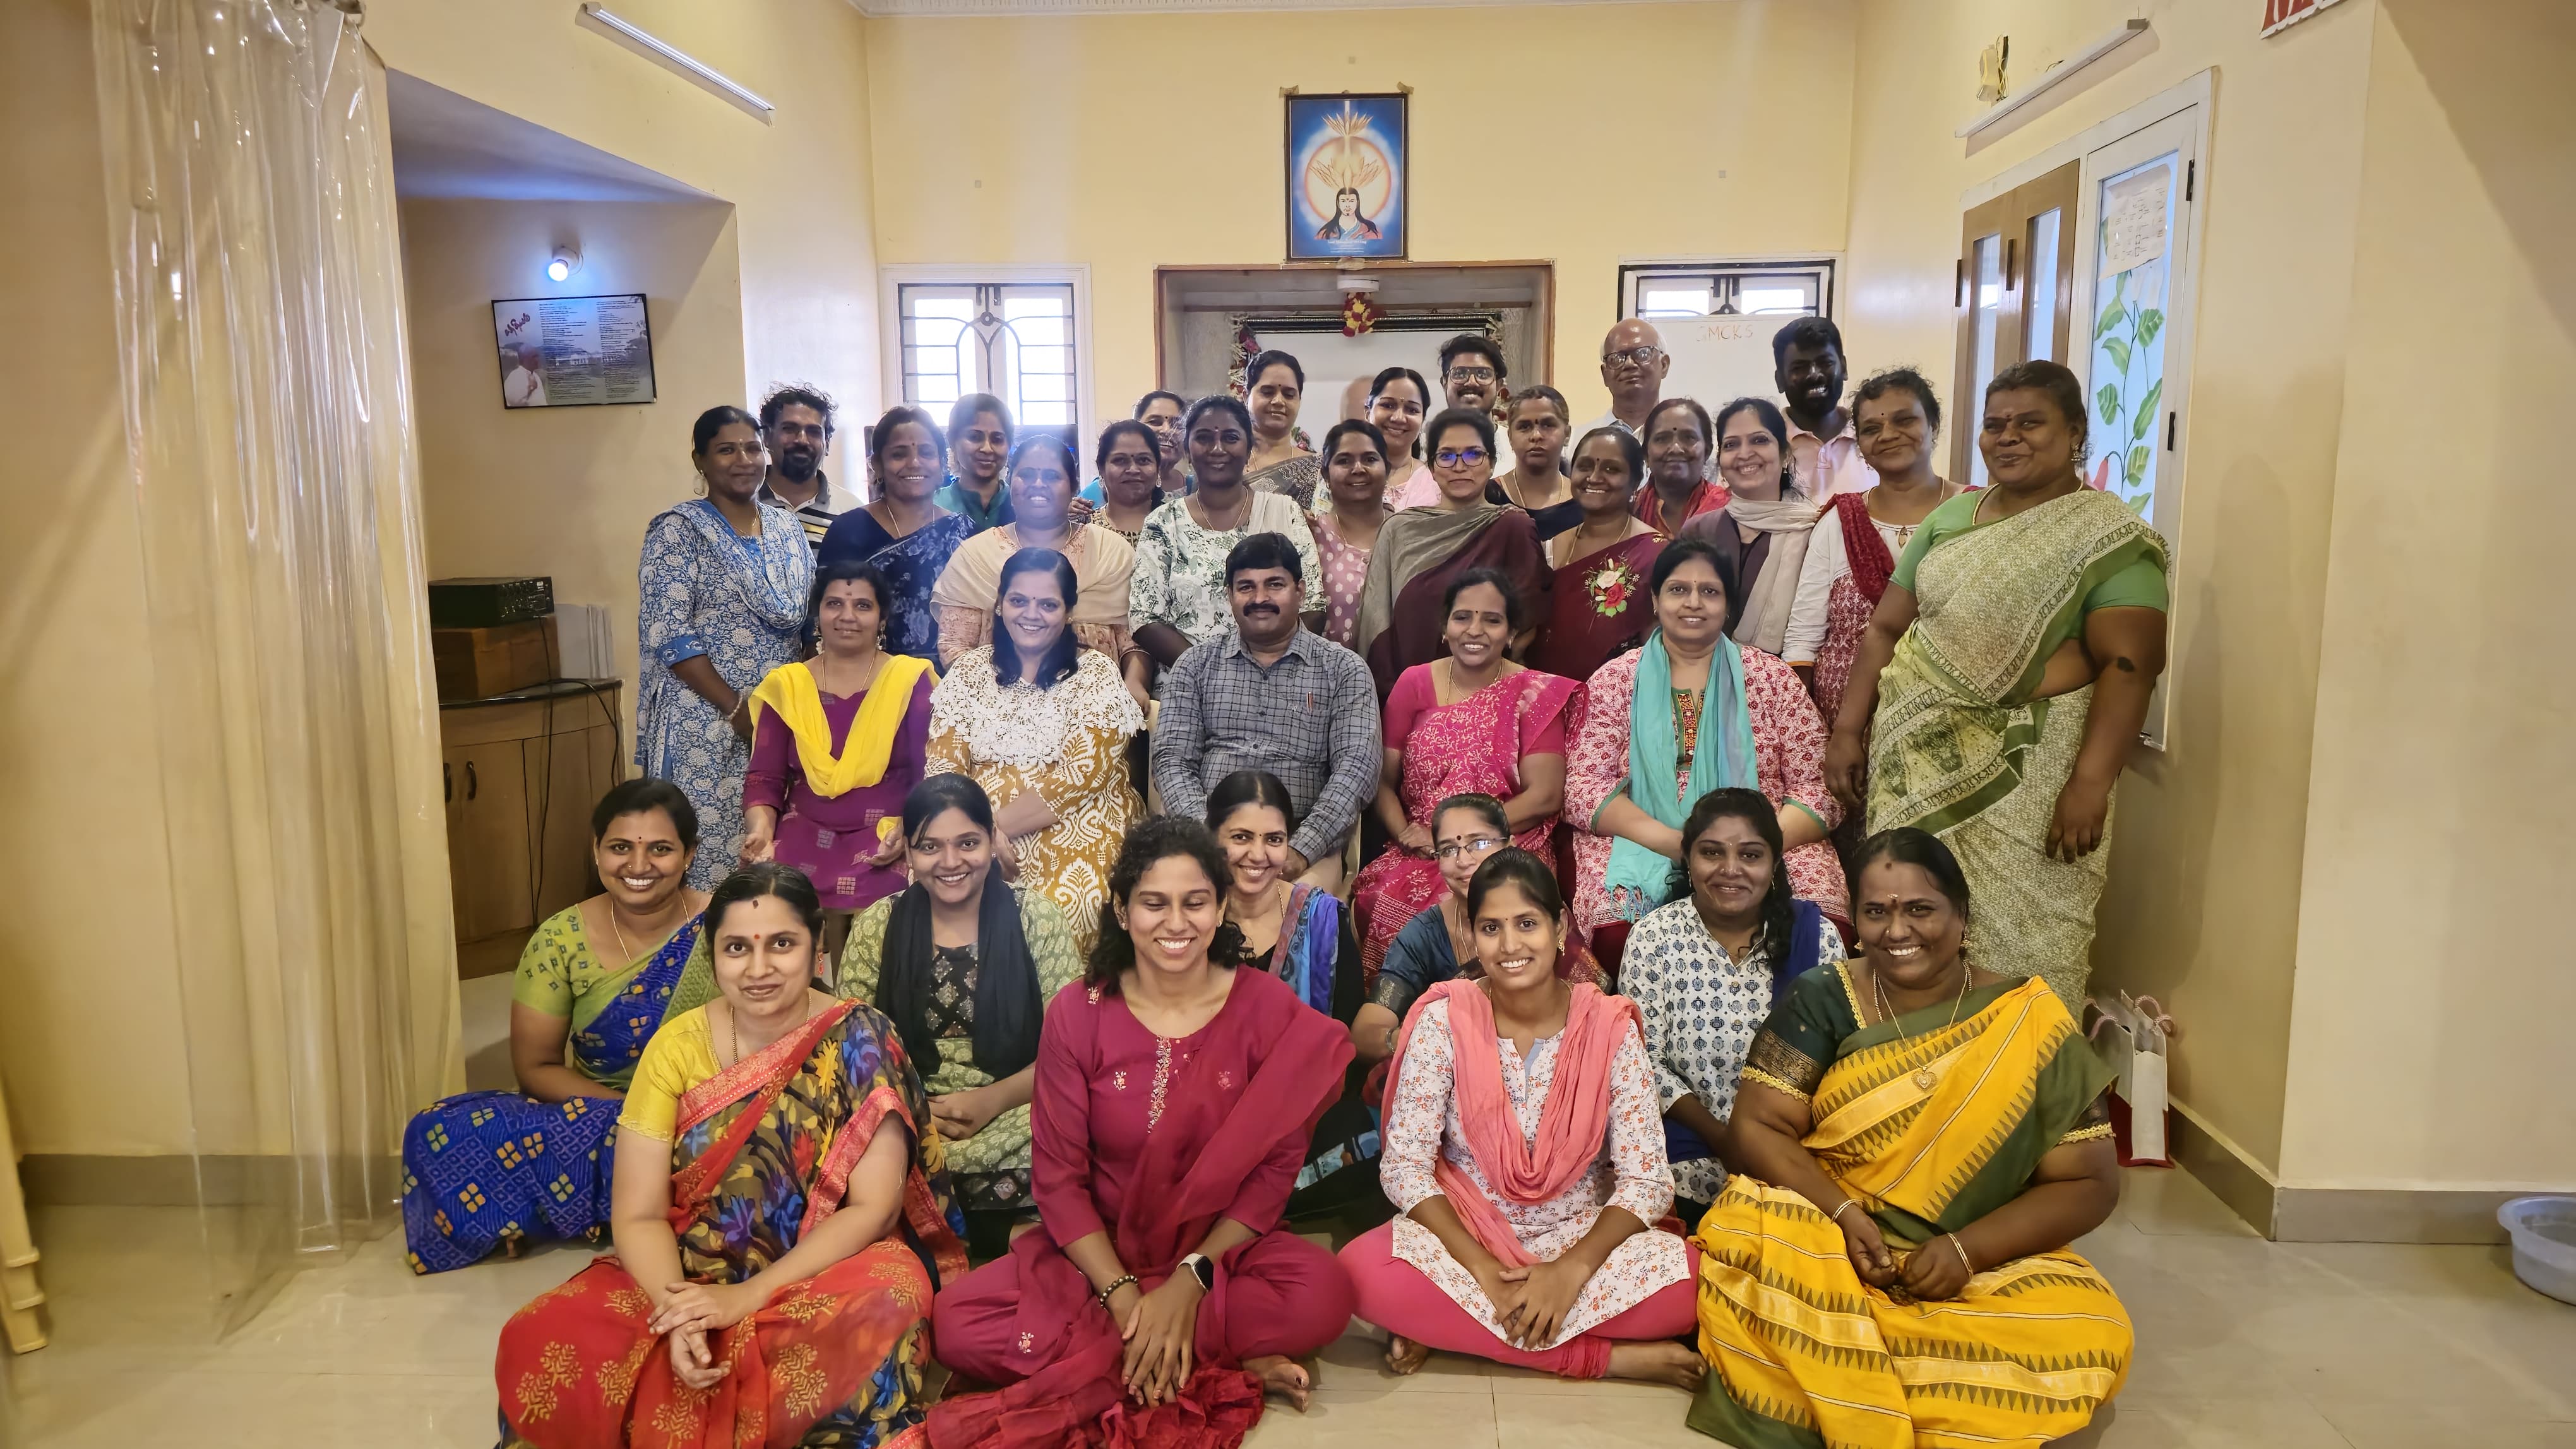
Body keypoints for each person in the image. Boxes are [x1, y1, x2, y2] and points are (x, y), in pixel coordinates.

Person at [493, 864, 968, 1449]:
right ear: (712, 954)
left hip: (821, 1273)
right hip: (688, 1271)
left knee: (891, 1296)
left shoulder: (862, 1038)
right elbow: (638, 1213)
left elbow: (874, 1208)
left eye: (782, 944)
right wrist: (679, 1314)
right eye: (737, 947)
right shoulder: (676, 1047)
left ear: (817, 946)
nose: (758, 968)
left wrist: (745, 1296)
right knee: (541, 1331)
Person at [1686, 829, 2128, 1448]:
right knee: (1749, 1239)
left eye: (1920, 908)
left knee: (2091, 1326)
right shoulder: (1824, 998)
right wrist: (1843, 1213)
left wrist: (1967, 1251)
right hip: (1827, 1237)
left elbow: (2089, 1182)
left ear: (1962, 915)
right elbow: (1758, 1126)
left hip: (1969, 1254)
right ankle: (1910, 1392)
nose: (1898, 930)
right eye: (1876, 911)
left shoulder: (2027, 1018)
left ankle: (1850, 1381)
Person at [926, 819, 1357, 1446]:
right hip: (1097, 1255)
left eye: (1195, 902)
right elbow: (1058, 1181)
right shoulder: (1078, 1013)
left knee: (1325, 1295)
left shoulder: (1268, 1010)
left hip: (1216, 1255)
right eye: (1154, 903)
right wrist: (1127, 1298)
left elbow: (1269, 1181)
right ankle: (1197, 1358)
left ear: (1221, 908)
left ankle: (1126, 1356)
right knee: (955, 1322)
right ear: (1122, 910)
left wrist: (1188, 1282)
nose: (1175, 923)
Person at [1825, 361, 2168, 1007]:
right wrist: (1848, 730)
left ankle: (2025, 1060)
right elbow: (1885, 628)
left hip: (2029, 775)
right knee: (1906, 916)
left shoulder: (2106, 536)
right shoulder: (1953, 517)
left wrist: (2090, 784)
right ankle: (1909, 1057)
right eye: (1995, 425)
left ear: (2075, 432)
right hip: (1912, 765)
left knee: (2029, 937)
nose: (2008, 437)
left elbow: (2131, 666)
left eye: (2030, 423)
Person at [1337, 849, 1704, 1388]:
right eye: (1491, 927)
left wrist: (1569, 1273)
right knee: (1359, 1275)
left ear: (1560, 928)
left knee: (1689, 1288)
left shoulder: (1608, 1026)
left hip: (1578, 1232)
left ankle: (1447, 1327)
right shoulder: (1444, 1020)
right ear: (1473, 935)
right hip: (1468, 1233)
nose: (1510, 945)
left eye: (1527, 923)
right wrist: (1484, 1271)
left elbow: (1646, 1181)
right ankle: (1602, 1357)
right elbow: (1405, 1168)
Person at [402, 780, 713, 1273]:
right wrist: (635, 1114)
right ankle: (651, 1202)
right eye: (620, 847)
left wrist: (681, 1113)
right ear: (596, 850)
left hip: (706, 1108)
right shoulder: (560, 938)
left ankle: (547, 1208)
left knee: (749, 1138)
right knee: (436, 1129)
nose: (638, 865)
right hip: (602, 1110)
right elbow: (536, 1067)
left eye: (660, 848)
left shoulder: (726, 925)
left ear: (689, 854)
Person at [1563, 537, 1846, 970]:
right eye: (1678, 589)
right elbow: (1583, 786)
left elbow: (1819, 786)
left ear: (1728, 605)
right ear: (1655, 600)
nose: (1693, 602)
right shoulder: (1616, 680)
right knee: (1617, 927)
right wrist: (1677, 844)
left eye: (1710, 591)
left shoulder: (1771, 677)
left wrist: (1754, 848)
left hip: (1771, 837)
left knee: (1819, 923)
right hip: (1647, 840)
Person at [837, 774, 1082, 1241]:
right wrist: (916, 1112)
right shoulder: (877, 925)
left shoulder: (1037, 918)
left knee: (1075, 1124)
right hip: (908, 1117)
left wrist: (991, 1100)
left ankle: (952, 1231)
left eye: (968, 843)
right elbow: (854, 1054)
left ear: (993, 840)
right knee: (862, 1142)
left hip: (1018, 1107)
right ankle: (1009, 1233)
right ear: (908, 853)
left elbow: (1069, 1053)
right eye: (930, 847)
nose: (951, 862)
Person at [1616, 788, 1842, 1221]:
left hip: (1798, 1157)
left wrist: (1770, 1147)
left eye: (1750, 855)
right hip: (1689, 1158)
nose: (1730, 869)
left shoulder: (1816, 939)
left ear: (1774, 863)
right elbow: (1643, 1062)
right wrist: (1725, 1139)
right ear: (1688, 858)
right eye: (1712, 852)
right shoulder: (1654, 938)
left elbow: (1841, 1058)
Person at [1351, 569, 1578, 976]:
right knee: (1383, 900)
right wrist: (1410, 834)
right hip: (1422, 843)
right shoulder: (1414, 683)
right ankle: (1408, 1009)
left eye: (1492, 620)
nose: (1475, 630)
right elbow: (1383, 782)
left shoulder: (1533, 693)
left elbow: (1544, 795)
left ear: (1511, 633)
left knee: (1500, 904)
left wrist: (1463, 838)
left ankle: (1497, 1004)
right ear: (1444, 627)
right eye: (1462, 617)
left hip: (1508, 840)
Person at [928, 548, 1143, 960]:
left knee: (1073, 900)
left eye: (1048, 604)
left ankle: (1070, 1002)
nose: (1031, 614)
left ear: (1068, 612)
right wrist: (969, 831)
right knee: (940, 885)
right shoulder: (970, 671)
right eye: (1018, 600)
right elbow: (944, 764)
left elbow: (1082, 775)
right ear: (999, 603)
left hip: (1078, 817)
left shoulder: (1096, 672)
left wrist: (987, 832)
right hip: (972, 820)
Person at [638, 405, 816, 885]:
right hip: (704, 720)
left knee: (773, 858)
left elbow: (805, 625)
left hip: (779, 718)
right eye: (726, 450)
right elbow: (671, 634)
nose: (744, 460)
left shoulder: (786, 528)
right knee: (708, 860)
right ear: (700, 460)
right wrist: (737, 709)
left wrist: (788, 709)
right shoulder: (677, 531)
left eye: (753, 448)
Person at [1152, 534, 1380, 891]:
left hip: (1302, 846)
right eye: (1246, 587)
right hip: (1207, 841)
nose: (1260, 599)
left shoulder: (1344, 670)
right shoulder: (1195, 665)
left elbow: (1357, 770)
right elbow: (1172, 760)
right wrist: (1209, 841)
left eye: (1275, 585)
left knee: (1299, 911)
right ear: (1230, 595)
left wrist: (1301, 850)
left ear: (1300, 590)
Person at [739, 561, 939, 955]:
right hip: (804, 831)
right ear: (818, 614)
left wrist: (912, 830)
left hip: (888, 833)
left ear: (882, 618)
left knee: (892, 892)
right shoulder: (787, 685)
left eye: (863, 606)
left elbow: (928, 773)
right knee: (773, 887)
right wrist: (761, 832)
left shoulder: (910, 680)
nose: (848, 616)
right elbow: (765, 778)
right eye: (834, 604)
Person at [1207, 770, 1380, 1208]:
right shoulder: (1193, 917)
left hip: (1301, 1110)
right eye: (1241, 837)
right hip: (1209, 1104)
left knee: (1372, 1139)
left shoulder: (1323, 918)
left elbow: (1341, 1036)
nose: (1258, 855)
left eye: (1274, 839)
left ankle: (1242, 1199)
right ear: (1213, 838)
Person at [1352, 796, 1602, 1064]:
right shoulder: (1424, 936)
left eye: (1479, 843)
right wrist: (1432, 1036)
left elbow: (1590, 1017)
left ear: (1510, 846)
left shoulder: (1542, 911)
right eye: (1448, 849)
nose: (1463, 860)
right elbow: (1366, 1034)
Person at [1784, 367, 1967, 726]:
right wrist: (1804, 730)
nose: (1888, 435)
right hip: (1844, 729)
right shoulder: (1841, 520)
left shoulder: (1975, 513)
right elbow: (1804, 635)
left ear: (1933, 426)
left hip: (1950, 721)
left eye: (1904, 420)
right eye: (1871, 429)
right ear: (1861, 446)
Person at [931, 433, 1147, 703]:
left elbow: (1134, 641)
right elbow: (955, 646)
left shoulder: (1110, 552)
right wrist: (998, 702)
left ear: (1073, 487)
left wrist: (1134, 685)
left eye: (1052, 476)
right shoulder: (976, 556)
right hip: (994, 707)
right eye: (1027, 475)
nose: (1038, 484)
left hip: (1097, 705)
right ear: (1010, 482)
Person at [1354, 408, 1551, 698]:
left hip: (1487, 700)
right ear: (1432, 468)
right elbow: (1376, 624)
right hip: (1409, 698)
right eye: (1446, 456)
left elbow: (1526, 628)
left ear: (1492, 464)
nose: (1460, 466)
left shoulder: (1512, 527)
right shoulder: (1399, 530)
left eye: (1473, 455)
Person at [1131, 395, 1323, 665]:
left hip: (1279, 677)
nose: (1217, 448)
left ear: (1248, 449)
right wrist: (1211, 673)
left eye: (1231, 438)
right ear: (1188, 450)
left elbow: (1313, 605)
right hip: (1188, 678)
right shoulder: (1164, 523)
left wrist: (1269, 668)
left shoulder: (1284, 512)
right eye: (1204, 438)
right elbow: (1145, 617)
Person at [817, 405, 974, 663]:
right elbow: (826, 623)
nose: (915, 463)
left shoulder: (965, 533)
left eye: (926, 453)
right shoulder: (847, 531)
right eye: (899, 454)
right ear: (877, 465)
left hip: (954, 678)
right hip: (868, 675)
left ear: (941, 464)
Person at [1678, 397, 1822, 656]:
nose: (1745, 454)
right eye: (1731, 445)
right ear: (1721, 461)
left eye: (1759, 440)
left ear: (1785, 454)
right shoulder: (1697, 532)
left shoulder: (1815, 530)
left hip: (1789, 674)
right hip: (1701, 670)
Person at [1531, 426, 1661, 682]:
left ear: (1636, 481)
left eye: (1611, 469)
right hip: (1544, 693)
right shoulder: (1549, 547)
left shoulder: (1657, 553)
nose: (1594, 477)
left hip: (1616, 698)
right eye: (1585, 466)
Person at [1773, 315, 1878, 500]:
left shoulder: (1876, 438)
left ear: (1843, 367)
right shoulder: (1764, 445)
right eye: (1799, 368)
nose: (1815, 375)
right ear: (1780, 380)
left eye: (1826, 363)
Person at [1309, 418, 1392, 649]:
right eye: (1344, 461)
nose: (1358, 469)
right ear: (1326, 475)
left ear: (1387, 469)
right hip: (1325, 670)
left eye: (1370, 459)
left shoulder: (1407, 532)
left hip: (1400, 671)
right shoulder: (1310, 536)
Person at [755, 383, 848, 551]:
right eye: (789, 429)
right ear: (766, 437)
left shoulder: (850, 513)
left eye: (814, 432)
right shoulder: (741, 505)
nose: (802, 440)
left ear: (827, 444)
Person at [1079, 391, 1191, 512]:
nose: (1167, 430)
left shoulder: (1196, 488)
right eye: (1154, 422)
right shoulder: (1094, 494)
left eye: (1176, 425)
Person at [1492, 385, 1578, 538]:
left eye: (1548, 425)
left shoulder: (1584, 501)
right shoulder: (1488, 497)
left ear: (1567, 434)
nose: (1536, 435)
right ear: (1510, 437)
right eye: (1524, 427)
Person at [1636, 397, 1728, 537]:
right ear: (1646, 455)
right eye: (1662, 439)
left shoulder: (1730, 512)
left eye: (1689, 438)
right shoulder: (1625, 513)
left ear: (1707, 452)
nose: (1676, 449)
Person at [1241, 350, 1321, 508]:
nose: (1278, 401)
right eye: (1267, 392)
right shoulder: (1224, 462)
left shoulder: (1318, 469)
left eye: (1289, 395)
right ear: (1246, 397)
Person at [933, 393, 1017, 532]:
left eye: (997, 439)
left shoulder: (1022, 504)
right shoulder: (934, 506)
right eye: (974, 437)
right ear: (952, 441)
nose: (987, 449)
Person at [1080, 418, 1167, 543]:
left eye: (1143, 460)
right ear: (1101, 469)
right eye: (1120, 460)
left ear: (1158, 468)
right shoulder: (1082, 529)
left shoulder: (1178, 523)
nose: (1133, 470)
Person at [1586, 318, 1667, 437]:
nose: (1629, 364)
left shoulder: (1686, 440)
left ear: (1664, 365)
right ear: (1605, 374)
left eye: (1643, 354)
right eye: (1616, 358)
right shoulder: (1578, 441)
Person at [1371, 365, 1436, 510]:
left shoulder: (1436, 480)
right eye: (1388, 405)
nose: (1399, 418)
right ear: (1367, 411)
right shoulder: (1343, 472)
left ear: (1422, 420)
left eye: (1412, 410)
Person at [1438, 331, 1512, 432]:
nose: (1472, 382)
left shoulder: (1514, 441)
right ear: (1444, 383)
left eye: (1483, 374)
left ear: (1499, 385)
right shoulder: (1427, 442)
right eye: (1460, 373)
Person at [503, 343, 546, 407]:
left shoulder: (535, 375)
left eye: (537, 356)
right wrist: (530, 390)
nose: (537, 360)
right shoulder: (515, 376)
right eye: (534, 357)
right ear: (524, 359)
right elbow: (513, 402)